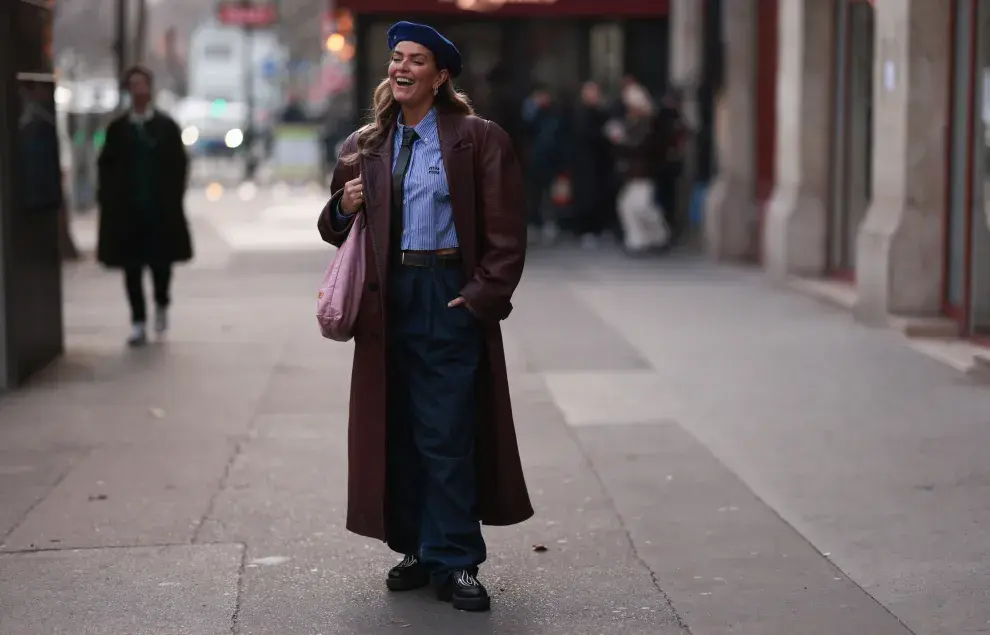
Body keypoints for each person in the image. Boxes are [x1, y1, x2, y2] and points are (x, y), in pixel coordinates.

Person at [316, 21, 533, 612]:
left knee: (447, 431)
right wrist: (343, 204)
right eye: (395, 58)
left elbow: (507, 232)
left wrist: (483, 294)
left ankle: (456, 558)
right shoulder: (367, 144)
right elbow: (333, 228)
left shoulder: (478, 139)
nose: (400, 68)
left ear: (439, 78)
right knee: (399, 427)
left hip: (446, 293)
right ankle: (414, 546)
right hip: (388, 298)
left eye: (415, 60)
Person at [97, 66, 192, 346]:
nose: (138, 90)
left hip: (160, 211)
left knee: (161, 265)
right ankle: (138, 321)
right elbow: (106, 168)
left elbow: (179, 165)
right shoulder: (118, 129)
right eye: (133, 85)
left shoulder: (165, 127)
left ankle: (161, 303)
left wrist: (173, 198)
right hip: (128, 213)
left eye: (142, 84)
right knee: (132, 268)